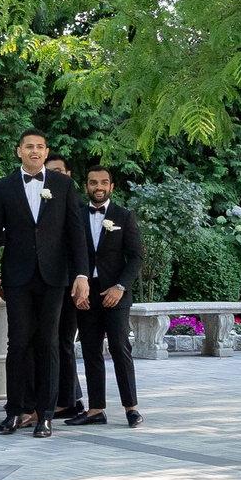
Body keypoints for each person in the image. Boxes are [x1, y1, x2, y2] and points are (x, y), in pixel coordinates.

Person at [0, 129, 91, 438]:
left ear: (46, 152)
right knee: (17, 343)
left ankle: (45, 414)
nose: (34, 151)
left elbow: (75, 233)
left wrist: (81, 275)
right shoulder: (3, 187)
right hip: (17, 277)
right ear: (19, 151)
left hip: (53, 276)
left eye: (40, 147)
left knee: (49, 343)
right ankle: (15, 411)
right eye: (29, 147)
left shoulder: (63, 185)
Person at [76, 166, 144, 427]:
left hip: (116, 292)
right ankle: (95, 410)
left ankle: (131, 408)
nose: (99, 187)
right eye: (93, 182)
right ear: (87, 186)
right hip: (86, 293)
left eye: (104, 182)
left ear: (112, 187)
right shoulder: (77, 216)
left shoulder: (124, 216)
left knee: (119, 347)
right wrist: (77, 288)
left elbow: (136, 256)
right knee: (91, 350)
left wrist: (120, 287)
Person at [45, 152, 87, 419]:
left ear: (69, 175)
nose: (55, 177)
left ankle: (71, 400)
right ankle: (69, 398)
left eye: (59, 172)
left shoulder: (76, 207)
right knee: (55, 341)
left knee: (64, 341)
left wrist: (79, 280)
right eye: (52, 172)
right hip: (49, 284)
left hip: (71, 284)